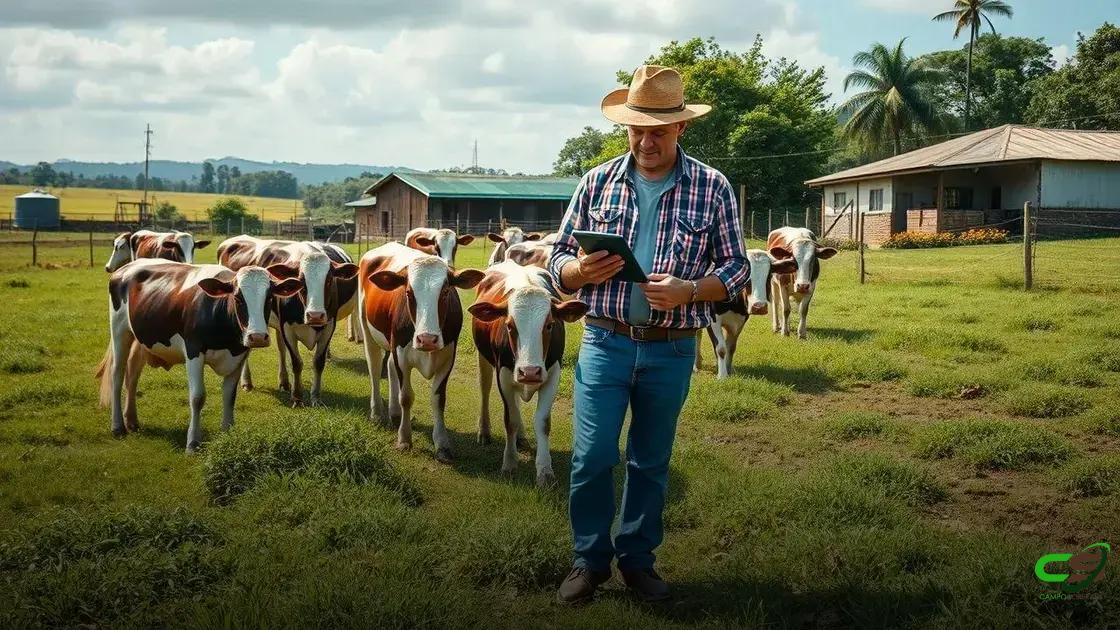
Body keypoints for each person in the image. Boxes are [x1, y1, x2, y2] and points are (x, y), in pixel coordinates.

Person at [549, 64, 749, 604]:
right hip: (605, 337)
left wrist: (689, 290)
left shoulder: (712, 187)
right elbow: (558, 258)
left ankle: (637, 561)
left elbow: (737, 269)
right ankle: (588, 561)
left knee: (650, 461)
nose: (646, 141)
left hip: (671, 348)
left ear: (681, 128)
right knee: (592, 456)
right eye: (637, 129)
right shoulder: (596, 182)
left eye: (658, 131)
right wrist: (576, 273)